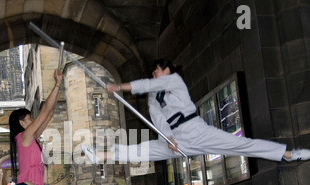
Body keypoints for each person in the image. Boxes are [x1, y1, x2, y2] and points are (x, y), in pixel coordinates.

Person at [82, 58, 310, 164]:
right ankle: (99, 156)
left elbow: (148, 85)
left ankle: (289, 154)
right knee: (143, 150)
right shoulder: (153, 97)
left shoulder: (174, 81)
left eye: (156, 71)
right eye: (153, 73)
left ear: (168, 70)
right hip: (174, 140)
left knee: (242, 145)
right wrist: (168, 137)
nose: (154, 75)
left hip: (195, 131)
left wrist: (119, 87)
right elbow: (157, 119)